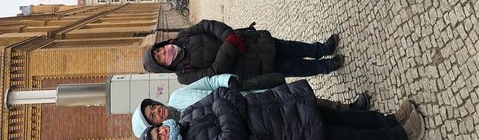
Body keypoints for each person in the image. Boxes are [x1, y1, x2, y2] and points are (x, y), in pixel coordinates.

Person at [141, 82, 425, 140]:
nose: (162, 131)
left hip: (275, 105)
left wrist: (226, 109)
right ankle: (401, 134)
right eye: (160, 139)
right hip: (281, 130)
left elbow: (220, 94)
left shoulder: (187, 116)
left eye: (158, 130)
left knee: (340, 115)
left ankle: (389, 119)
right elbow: (233, 135)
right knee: (345, 135)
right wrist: (227, 111)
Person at [131, 73, 370, 136]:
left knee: (311, 105)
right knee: (312, 122)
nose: (157, 111)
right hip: (263, 125)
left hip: (251, 98)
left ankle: (348, 108)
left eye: (153, 107)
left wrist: (227, 81)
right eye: (153, 117)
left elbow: (209, 84)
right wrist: (221, 104)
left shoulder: (177, 97)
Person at [136, 19, 344, 85]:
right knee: (294, 67)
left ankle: (321, 49)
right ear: (162, 66)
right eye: (159, 58)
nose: (161, 53)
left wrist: (228, 36)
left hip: (250, 41)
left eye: (158, 50)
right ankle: (326, 66)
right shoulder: (184, 75)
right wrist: (230, 45)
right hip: (251, 65)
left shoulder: (182, 36)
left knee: (291, 46)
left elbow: (207, 25)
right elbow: (214, 73)